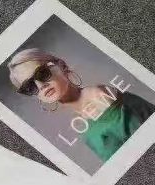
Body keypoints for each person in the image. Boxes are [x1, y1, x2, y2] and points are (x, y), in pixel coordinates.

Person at [8, 48, 155, 162]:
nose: (40, 85)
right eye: (30, 87)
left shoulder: (102, 96)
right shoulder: (82, 125)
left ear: (61, 65)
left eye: (42, 73)